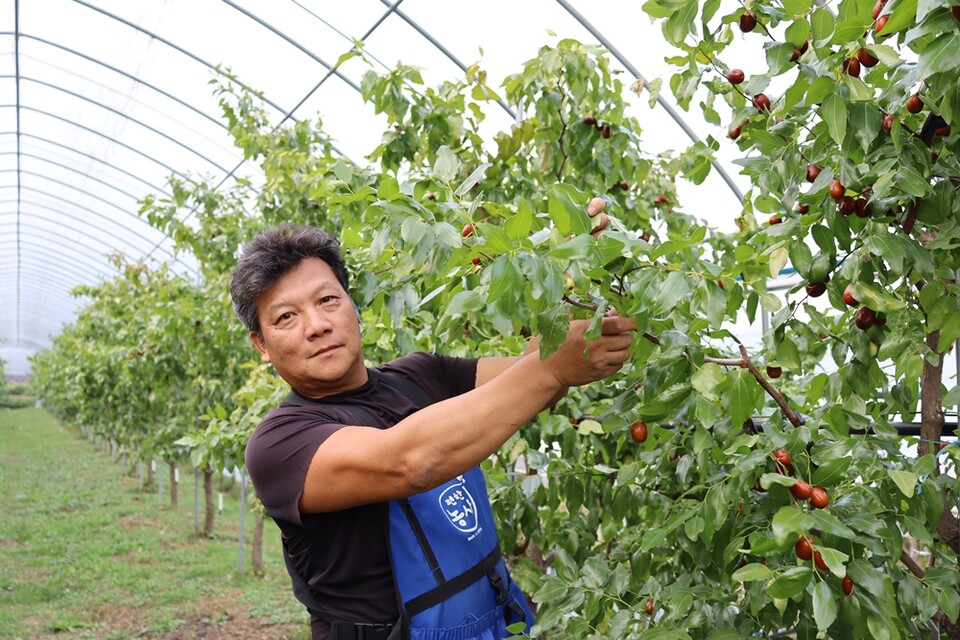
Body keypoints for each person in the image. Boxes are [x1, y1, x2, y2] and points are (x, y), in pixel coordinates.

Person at [230, 199, 636, 640]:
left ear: (352, 304)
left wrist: (579, 269)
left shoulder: (419, 375)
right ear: (262, 344)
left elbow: (531, 378)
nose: (316, 325)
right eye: (286, 317)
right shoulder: (279, 444)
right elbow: (409, 461)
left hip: (494, 623)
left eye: (327, 300)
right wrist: (553, 367)